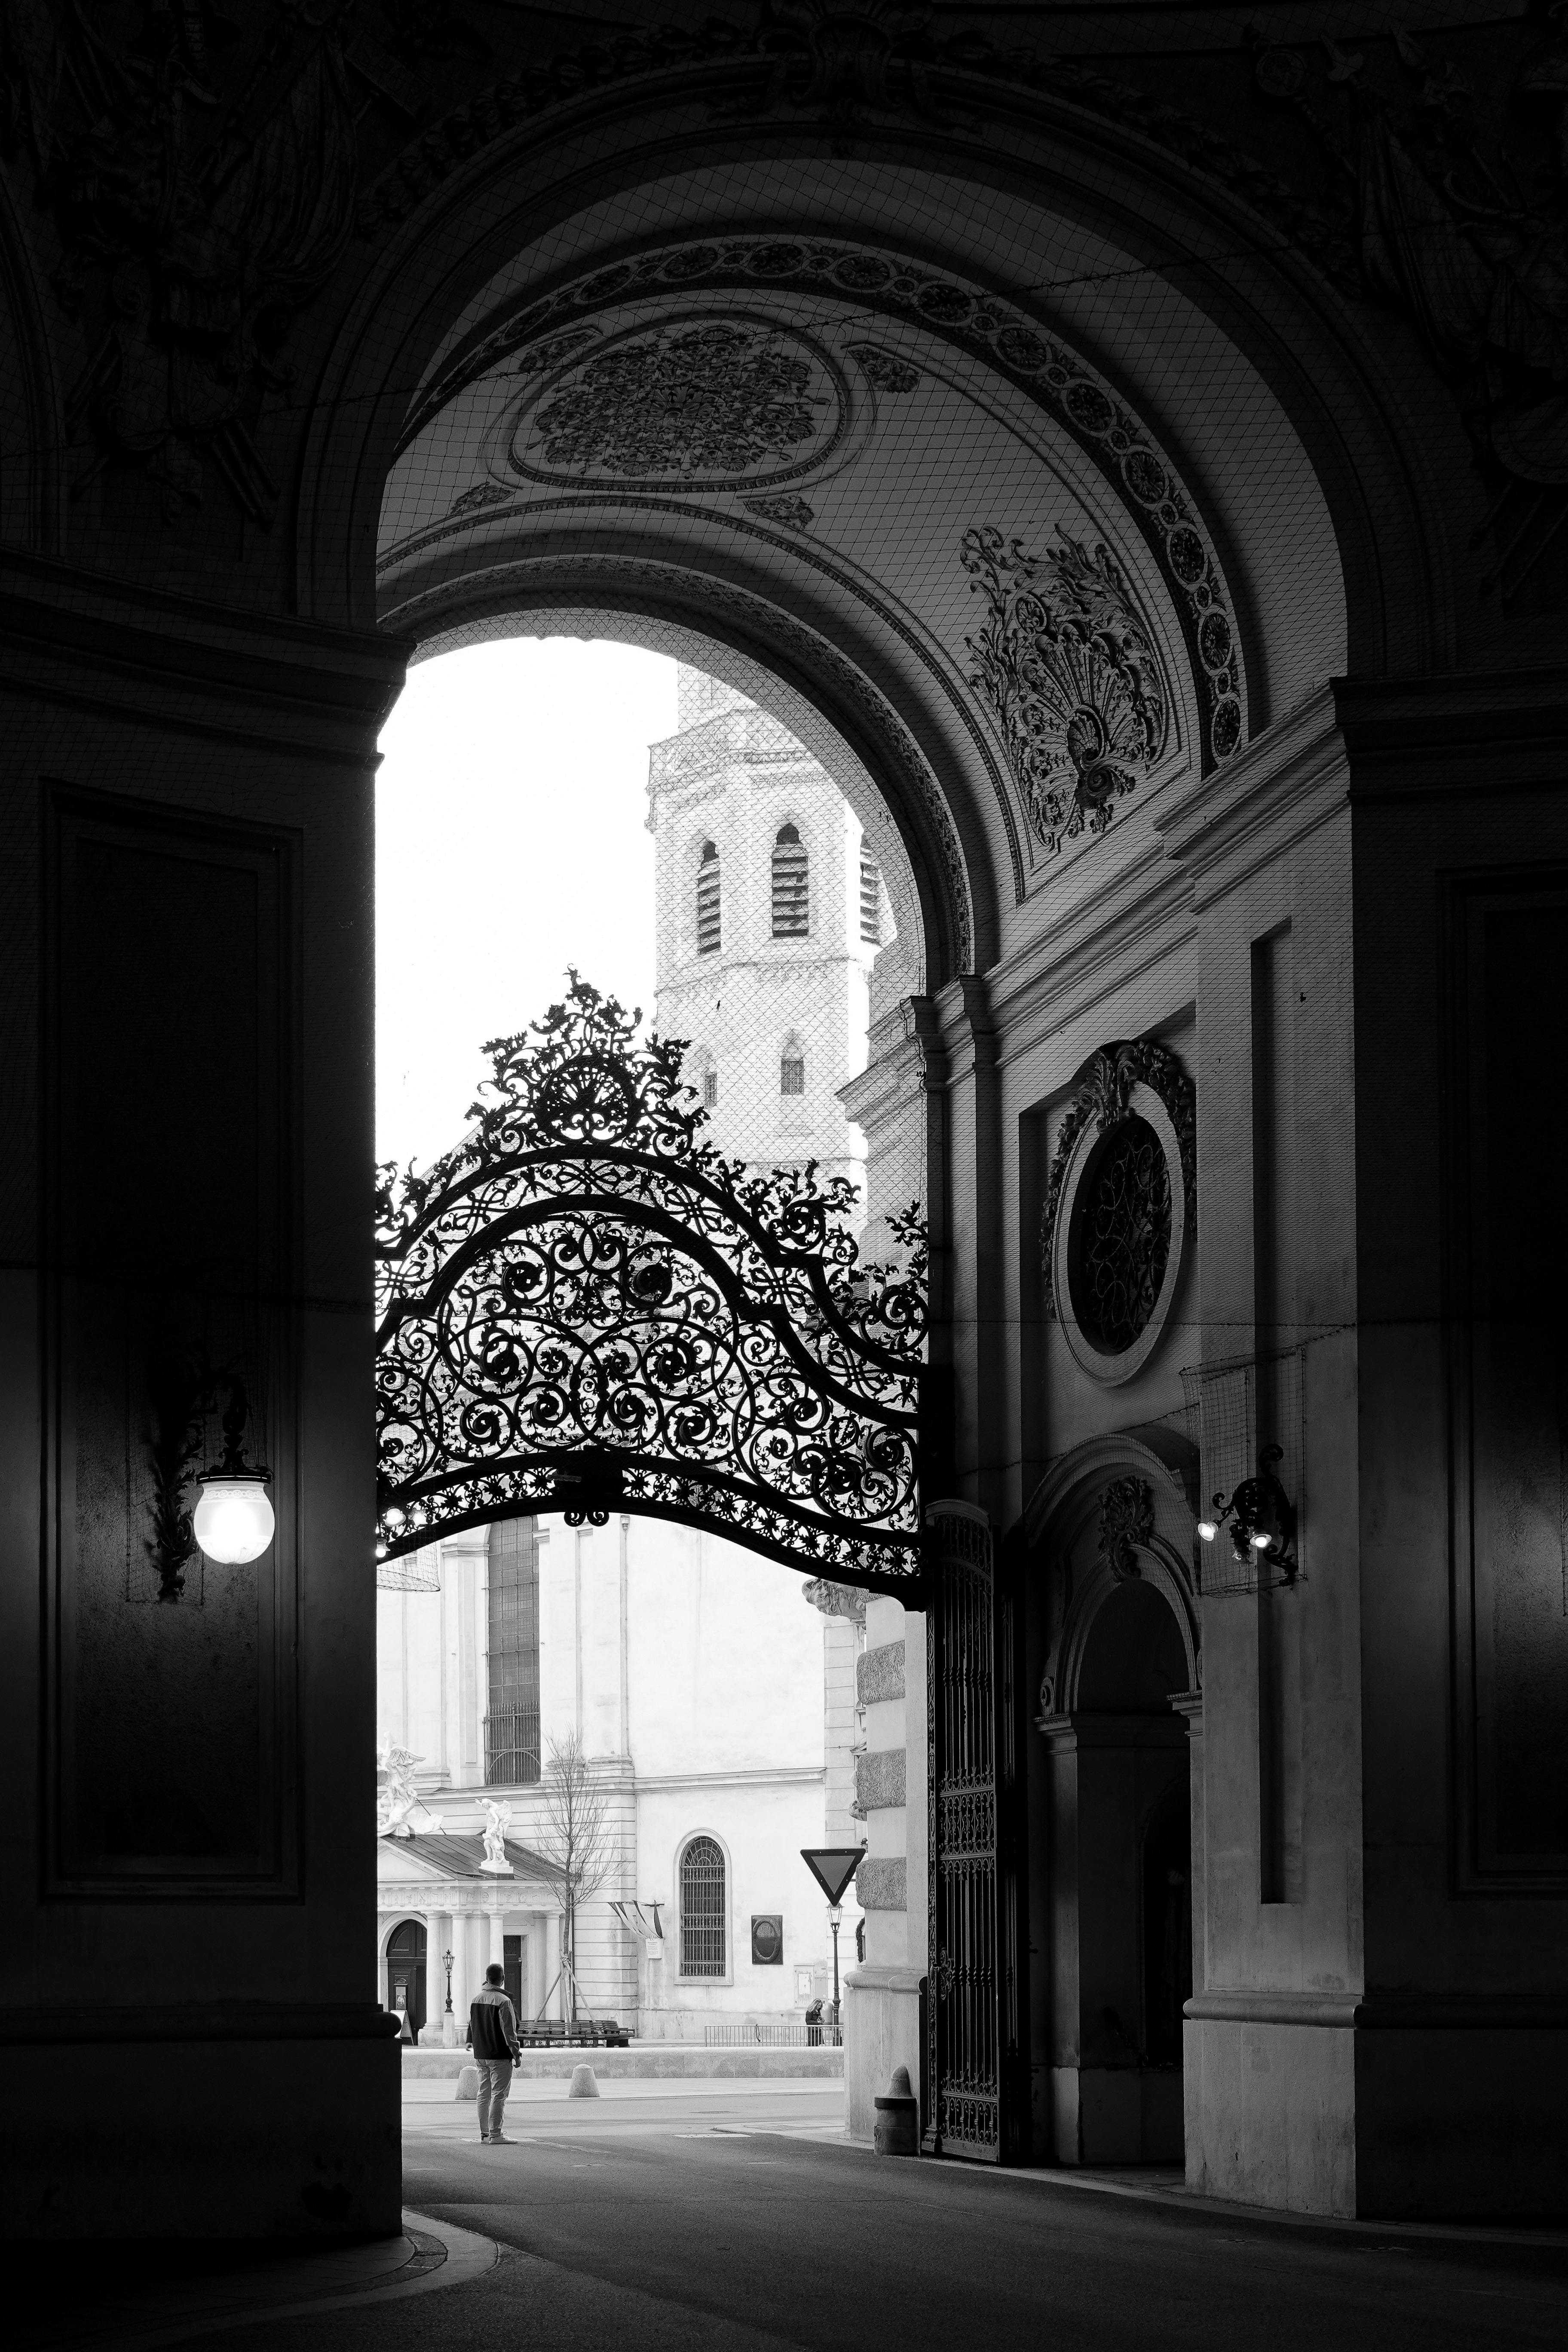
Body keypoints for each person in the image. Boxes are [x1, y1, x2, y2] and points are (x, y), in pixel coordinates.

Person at [466, 1962, 523, 2144]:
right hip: (499, 2054)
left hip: (481, 2054)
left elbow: (472, 2025)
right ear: (503, 1979)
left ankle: (484, 2134)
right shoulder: (503, 2001)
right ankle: (496, 2134)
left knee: (483, 2094)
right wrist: (516, 2053)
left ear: (487, 1977)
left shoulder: (476, 1999)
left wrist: (471, 2042)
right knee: (499, 2095)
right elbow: (509, 2031)